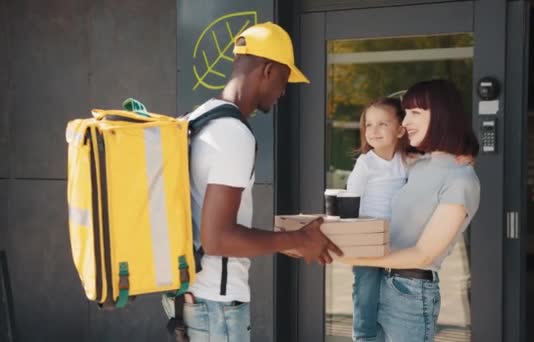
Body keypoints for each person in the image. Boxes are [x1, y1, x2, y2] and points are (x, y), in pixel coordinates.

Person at [162, 22, 341, 342]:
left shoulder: (199, 117)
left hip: (190, 298)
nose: (284, 91)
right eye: (285, 80)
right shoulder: (232, 134)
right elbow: (218, 238)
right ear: (268, 70)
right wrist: (299, 240)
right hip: (216, 307)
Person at [339, 79, 480, 342]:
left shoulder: (460, 178)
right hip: (383, 282)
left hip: (411, 292)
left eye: (414, 113)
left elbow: (424, 255)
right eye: (405, 114)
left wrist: (355, 257)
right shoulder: (417, 163)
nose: (404, 123)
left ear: (441, 115)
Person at [345, 97, 411, 341]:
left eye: (382, 124)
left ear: (401, 129)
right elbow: (350, 201)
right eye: (369, 125)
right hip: (369, 240)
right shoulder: (366, 163)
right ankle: (365, 336)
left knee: (395, 295)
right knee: (366, 292)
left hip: (400, 240)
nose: (374, 130)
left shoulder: (408, 161)